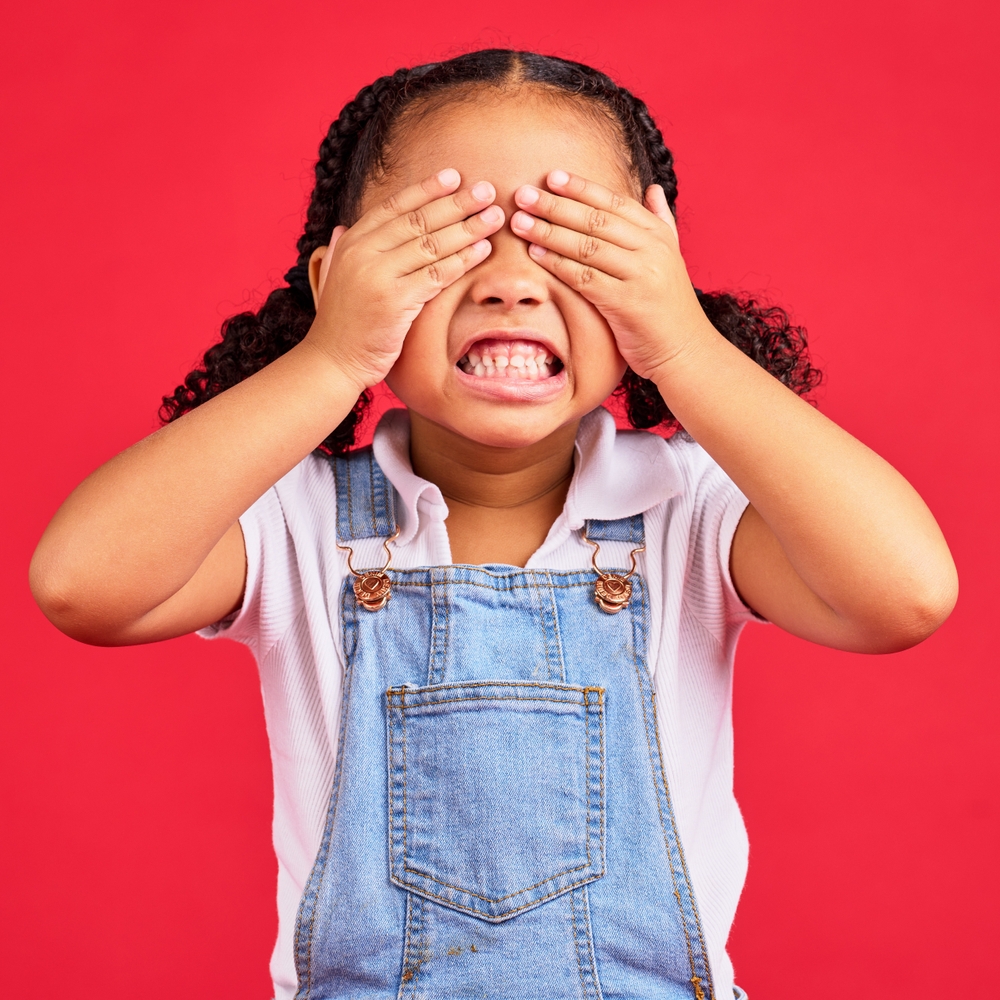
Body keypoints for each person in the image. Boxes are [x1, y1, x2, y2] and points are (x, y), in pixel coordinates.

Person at [29, 49, 957, 1000]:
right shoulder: (298, 523)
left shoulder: (688, 513)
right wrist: (330, 354)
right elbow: (82, 585)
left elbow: (905, 595)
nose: (511, 284)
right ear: (338, 274)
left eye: (570, 241)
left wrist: (682, 343)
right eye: (453, 240)